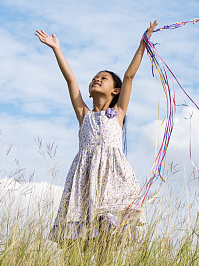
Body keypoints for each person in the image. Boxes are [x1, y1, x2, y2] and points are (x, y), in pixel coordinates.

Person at [35, 21, 158, 245]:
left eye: (103, 78)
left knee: (107, 234)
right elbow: (71, 80)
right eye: (94, 78)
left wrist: (142, 45)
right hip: (85, 175)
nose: (96, 80)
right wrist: (57, 49)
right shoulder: (84, 114)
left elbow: (129, 76)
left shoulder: (119, 112)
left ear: (115, 91)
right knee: (78, 238)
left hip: (113, 177)